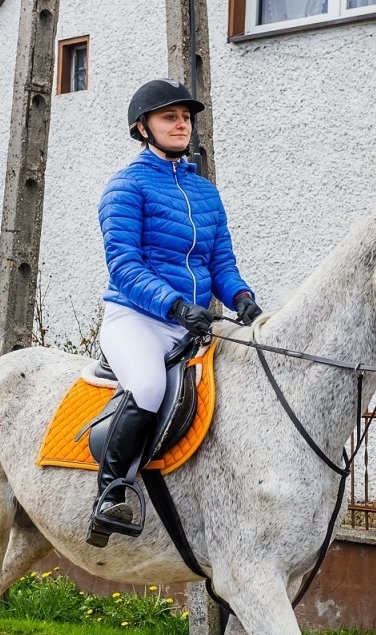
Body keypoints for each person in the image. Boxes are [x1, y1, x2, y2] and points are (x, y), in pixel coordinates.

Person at [88, 78, 264, 546]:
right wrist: (175, 305)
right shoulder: (125, 187)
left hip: (194, 322)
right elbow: (124, 265)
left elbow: (220, 262)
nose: (182, 123)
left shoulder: (204, 192)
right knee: (147, 385)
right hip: (138, 319)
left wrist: (241, 298)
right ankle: (111, 492)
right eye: (170, 116)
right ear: (142, 128)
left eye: (186, 117)